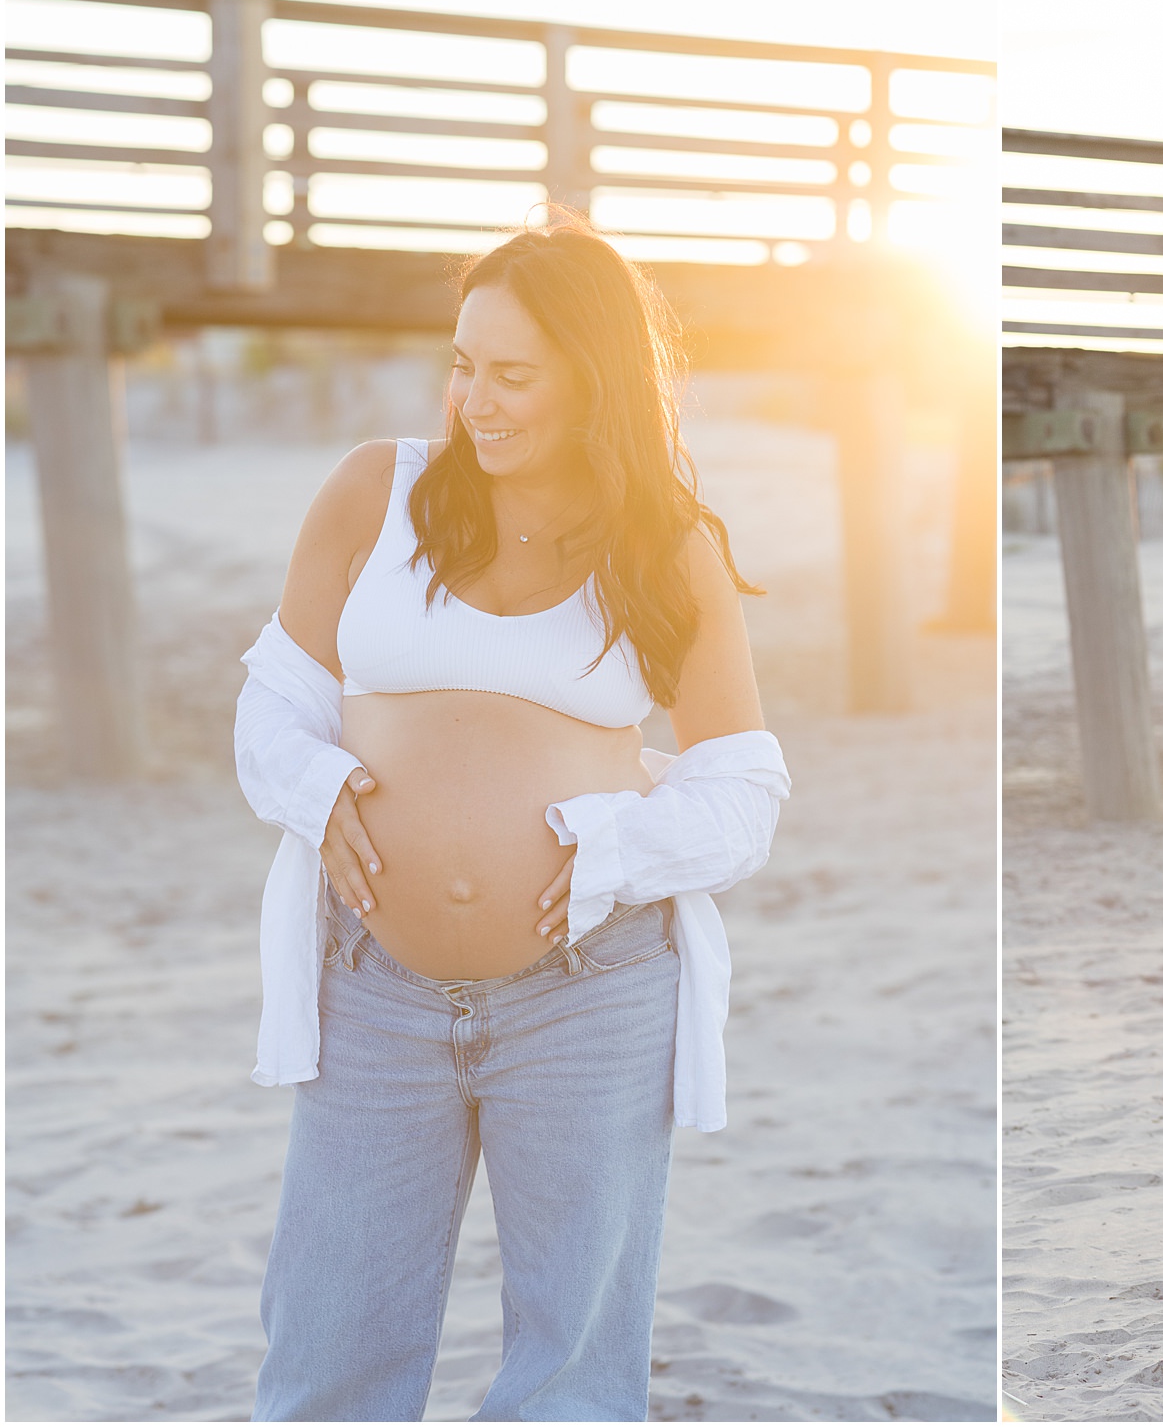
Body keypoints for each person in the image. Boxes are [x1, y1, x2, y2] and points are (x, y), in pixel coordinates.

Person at [233, 212, 792, 1420]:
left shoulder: (665, 550)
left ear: (594, 382)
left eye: (512, 375)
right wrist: (318, 790)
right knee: (327, 1355)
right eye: (462, 363)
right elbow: (271, 710)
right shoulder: (370, 495)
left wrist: (606, 849)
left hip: (590, 998)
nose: (474, 400)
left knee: (570, 1376)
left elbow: (742, 789)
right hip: (373, 985)